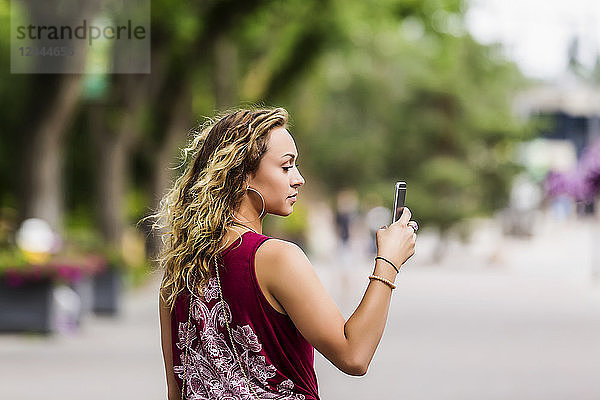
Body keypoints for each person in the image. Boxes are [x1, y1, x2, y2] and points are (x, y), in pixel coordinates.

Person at [151, 107, 417, 400]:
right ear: (241, 175)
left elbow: (176, 391)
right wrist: (389, 261)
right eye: (286, 166)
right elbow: (354, 355)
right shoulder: (275, 258)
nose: (299, 179)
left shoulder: (178, 270)